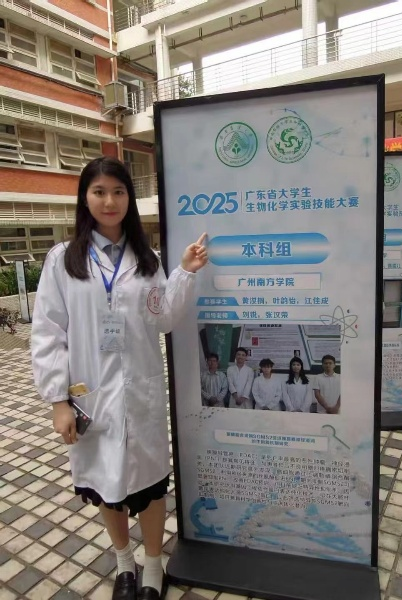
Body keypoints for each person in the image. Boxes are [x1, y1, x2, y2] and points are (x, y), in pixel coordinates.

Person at [31, 156, 208, 600]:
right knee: (105, 487)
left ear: (129, 198)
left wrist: (184, 272)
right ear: (85, 198)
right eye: (99, 192)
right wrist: (58, 402)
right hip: (91, 396)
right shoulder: (62, 260)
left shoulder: (146, 260)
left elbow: (163, 318)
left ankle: (153, 566)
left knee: (149, 488)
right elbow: (48, 333)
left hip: (141, 395)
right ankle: (124, 563)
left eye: (118, 191)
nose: (109, 201)